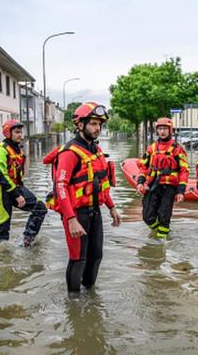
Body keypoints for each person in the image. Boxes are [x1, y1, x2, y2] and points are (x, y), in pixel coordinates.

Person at [48, 101, 121, 292]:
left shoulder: (96, 151)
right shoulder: (69, 153)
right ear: (80, 125)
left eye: (100, 124)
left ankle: (90, 297)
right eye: (93, 124)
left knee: (96, 256)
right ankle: (73, 304)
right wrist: (71, 218)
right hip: (75, 213)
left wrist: (111, 207)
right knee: (78, 258)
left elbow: (101, 184)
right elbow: (60, 186)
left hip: (94, 211)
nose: (98, 128)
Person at [0, 119, 47, 246]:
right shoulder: (0, 150)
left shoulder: (18, 149)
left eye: (21, 132)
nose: (20, 135)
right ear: (8, 133)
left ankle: (27, 240)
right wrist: (16, 194)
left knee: (40, 208)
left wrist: (18, 191)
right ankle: (1, 255)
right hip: (1, 190)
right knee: (2, 228)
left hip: (15, 188)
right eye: (17, 132)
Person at [136, 117, 189, 238]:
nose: (162, 131)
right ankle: (157, 232)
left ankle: (160, 246)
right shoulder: (152, 148)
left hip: (169, 187)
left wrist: (181, 191)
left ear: (170, 130)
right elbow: (143, 166)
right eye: (160, 129)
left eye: (165, 128)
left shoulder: (177, 149)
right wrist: (140, 182)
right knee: (147, 217)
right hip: (153, 184)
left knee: (164, 216)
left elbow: (184, 171)